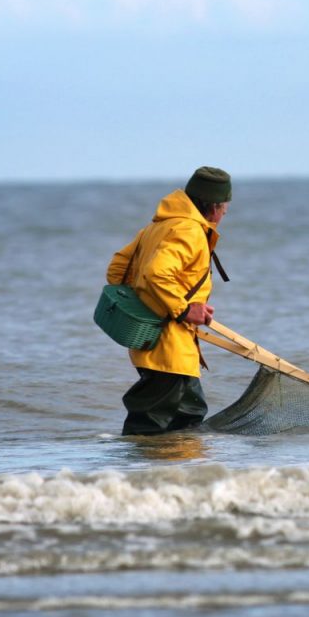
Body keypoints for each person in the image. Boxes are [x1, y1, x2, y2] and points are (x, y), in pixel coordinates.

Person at [106, 166, 231, 435]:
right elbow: (157, 272)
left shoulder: (159, 226)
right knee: (149, 424)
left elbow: (117, 269)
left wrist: (143, 305)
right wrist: (184, 309)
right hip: (169, 347)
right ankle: (136, 474)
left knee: (189, 416)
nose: (224, 215)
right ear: (213, 207)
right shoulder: (190, 231)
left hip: (152, 342)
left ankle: (179, 474)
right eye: (224, 209)